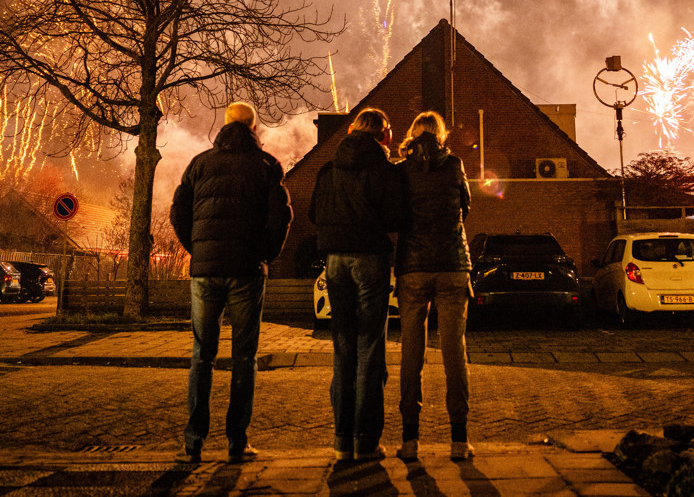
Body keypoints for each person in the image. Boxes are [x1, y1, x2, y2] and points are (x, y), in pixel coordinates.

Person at [170, 102, 293, 464]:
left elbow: (178, 213)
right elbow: (281, 217)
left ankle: (194, 441)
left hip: (205, 271)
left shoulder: (200, 164)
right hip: (246, 271)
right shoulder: (266, 166)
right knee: (244, 358)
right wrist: (265, 255)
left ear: (224, 126)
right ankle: (237, 441)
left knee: (201, 356)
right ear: (254, 127)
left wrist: (198, 249)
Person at [309, 107, 409, 461]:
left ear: (352, 130)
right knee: (370, 348)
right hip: (371, 260)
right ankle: (366, 440)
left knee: (343, 346)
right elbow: (397, 217)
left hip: (335, 261)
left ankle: (341, 440)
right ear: (384, 135)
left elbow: (313, 214)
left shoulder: (328, 169)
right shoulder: (385, 170)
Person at [393, 111, 474, 462]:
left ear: (413, 134)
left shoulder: (401, 169)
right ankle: (459, 439)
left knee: (412, 351)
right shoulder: (454, 164)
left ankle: (410, 440)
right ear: (440, 135)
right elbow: (465, 207)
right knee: (454, 348)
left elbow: (396, 215)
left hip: (413, 267)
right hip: (453, 264)